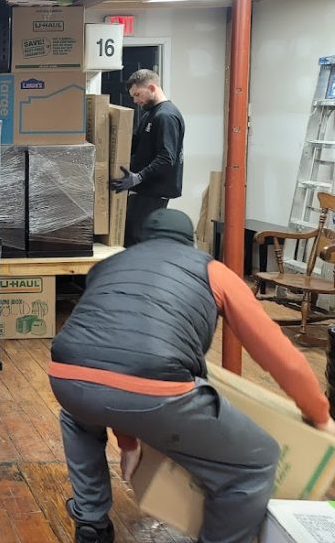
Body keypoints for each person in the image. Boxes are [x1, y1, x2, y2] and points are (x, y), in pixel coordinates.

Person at [48, 209, 335, 543]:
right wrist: (319, 414)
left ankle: (91, 521)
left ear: (141, 240)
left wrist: (128, 442)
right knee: (255, 464)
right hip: (157, 387)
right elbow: (279, 356)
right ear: (191, 242)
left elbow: (111, 353)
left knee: (78, 417)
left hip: (66, 376)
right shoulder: (213, 270)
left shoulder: (107, 266)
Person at [110, 69, 184, 246]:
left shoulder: (166, 116)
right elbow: (136, 144)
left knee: (137, 239)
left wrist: (139, 177)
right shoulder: (150, 114)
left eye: (137, 94)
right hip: (143, 190)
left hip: (153, 192)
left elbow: (167, 157)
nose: (135, 100)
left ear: (151, 87)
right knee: (130, 236)